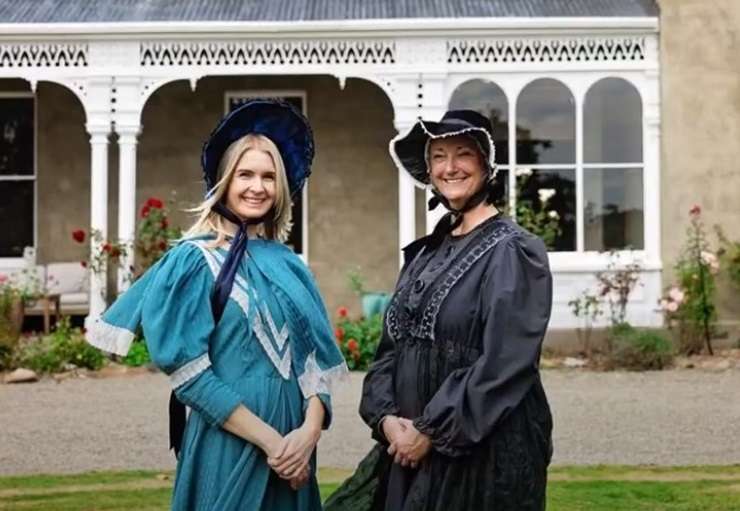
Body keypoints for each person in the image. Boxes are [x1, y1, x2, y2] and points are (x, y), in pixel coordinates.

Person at [85, 98, 347, 511]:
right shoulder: (193, 261)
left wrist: (307, 436)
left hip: (296, 456)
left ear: (282, 187)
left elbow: (313, 368)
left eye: (268, 176)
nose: (257, 187)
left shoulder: (291, 266)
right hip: (229, 447)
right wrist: (274, 444)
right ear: (223, 181)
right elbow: (190, 376)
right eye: (245, 174)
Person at [325, 110, 553, 511]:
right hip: (407, 449)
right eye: (438, 156)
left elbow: (505, 363)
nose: (450, 167)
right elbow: (390, 349)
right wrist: (387, 421)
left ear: (486, 163)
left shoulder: (513, 251)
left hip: (479, 453)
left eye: (462, 154)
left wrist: (431, 430)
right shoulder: (426, 254)